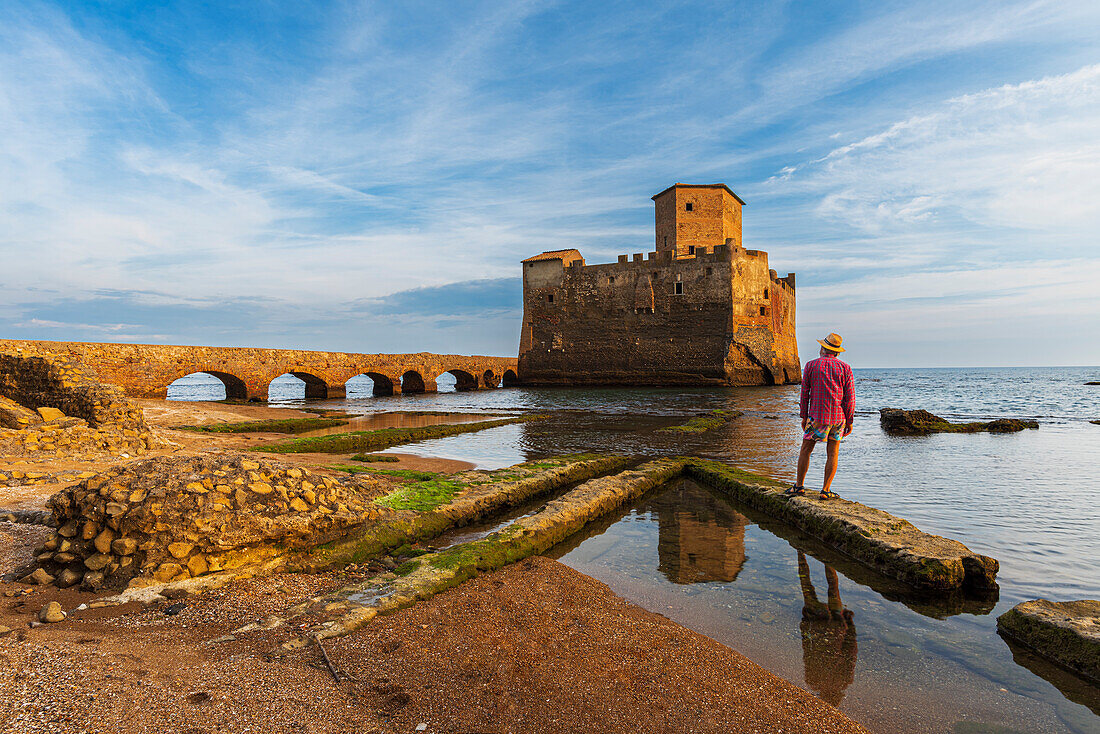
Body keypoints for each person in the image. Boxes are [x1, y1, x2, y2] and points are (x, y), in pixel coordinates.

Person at [787, 332, 853, 500]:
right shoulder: (845, 368)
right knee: (833, 453)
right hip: (838, 418)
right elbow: (849, 398)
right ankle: (825, 490)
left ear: (823, 348)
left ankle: (799, 486)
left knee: (806, 450)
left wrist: (803, 416)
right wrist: (849, 420)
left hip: (817, 416)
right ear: (837, 352)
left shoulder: (811, 366)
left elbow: (805, 393)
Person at [796, 551, 857, 706]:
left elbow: (851, 650)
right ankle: (801, 553)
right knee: (807, 586)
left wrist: (850, 625)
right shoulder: (812, 680)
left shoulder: (844, 681)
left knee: (832, 588)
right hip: (819, 625)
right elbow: (807, 650)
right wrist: (804, 624)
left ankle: (826, 558)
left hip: (835, 625)